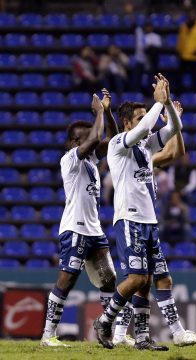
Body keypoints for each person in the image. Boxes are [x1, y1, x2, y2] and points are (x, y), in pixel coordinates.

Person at [93, 75, 196, 350]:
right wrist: (158, 105)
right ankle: (105, 321)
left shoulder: (145, 147)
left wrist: (167, 104)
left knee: (158, 279)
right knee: (137, 279)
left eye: (146, 114)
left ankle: (145, 336)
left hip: (149, 221)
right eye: (140, 117)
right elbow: (147, 126)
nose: (146, 120)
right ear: (127, 123)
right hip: (129, 219)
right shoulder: (118, 144)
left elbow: (174, 128)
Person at [40, 90, 119, 347]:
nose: (94, 141)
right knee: (68, 278)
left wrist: (107, 112)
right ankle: (48, 335)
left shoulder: (92, 160)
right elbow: (97, 135)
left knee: (109, 279)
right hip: (75, 228)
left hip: (95, 230)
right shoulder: (70, 159)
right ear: (76, 141)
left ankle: (106, 329)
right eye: (87, 139)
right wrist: (98, 112)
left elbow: (114, 139)